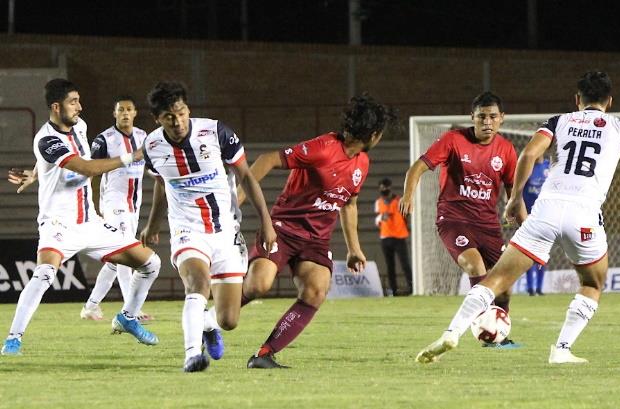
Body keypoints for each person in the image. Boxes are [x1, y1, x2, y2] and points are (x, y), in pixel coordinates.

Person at [415, 71, 620, 365]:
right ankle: (561, 349)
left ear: (577, 99)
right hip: (584, 216)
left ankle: (451, 332)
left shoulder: (558, 122)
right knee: (592, 281)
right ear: (610, 101)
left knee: (495, 280)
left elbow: (528, 155)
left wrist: (515, 199)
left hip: (546, 211)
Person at [2, 79, 162, 356]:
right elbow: (86, 167)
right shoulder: (46, 139)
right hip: (58, 225)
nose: (79, 106)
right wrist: (131, 157)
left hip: (91, 222)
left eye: (78, 100)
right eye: (73, 102)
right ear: (56, 107)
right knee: (43, 274)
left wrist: (35, 173)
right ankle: (13, 339)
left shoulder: (81, 125)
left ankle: (127, 317)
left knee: (151, 263)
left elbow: (61, 161)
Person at [239, 93, 396, 369]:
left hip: (315, 241)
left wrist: (354, 248)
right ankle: (207, 319)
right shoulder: (324, 147)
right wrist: (233, 204)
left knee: (316, 290)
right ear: (372, 134)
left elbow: (349, 204)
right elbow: (267, 160)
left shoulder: (362, 162)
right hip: (283, 229)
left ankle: (264, 354)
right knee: (257, 285)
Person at [138, 81, 276, 372]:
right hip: (187, 230)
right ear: (157, 119)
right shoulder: (151, 146)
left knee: (229, 320)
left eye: (181, 112)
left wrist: (266, 222)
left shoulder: (216, 132)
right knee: (198, 284)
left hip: (225, 229)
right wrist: (152, 225)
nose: (178, 121)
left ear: (188, 108)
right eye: (169, 117)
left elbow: (247, 177)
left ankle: (209, 324)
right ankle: (191, 355)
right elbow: (161, 186)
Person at [400, 91, 523, 348]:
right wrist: (408, 195)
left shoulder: (507, 150)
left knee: (505, 284)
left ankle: (498, 335)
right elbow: (418, 167)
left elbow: (515, 193)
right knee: (476, 268)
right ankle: (484, 334)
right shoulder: (453, 140)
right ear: (472, 117)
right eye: (481, 117)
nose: (487, 122)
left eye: (492, 117)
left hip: (488, 225)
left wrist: (526, 226)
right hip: (454, 218)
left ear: (502, 118)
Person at [77, 96, 154, 321]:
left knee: (114, 260)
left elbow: (151, 166)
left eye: (129, 109)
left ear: (135, 112)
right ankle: (131, 308)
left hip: (134, 204)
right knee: (126, 250)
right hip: (113, 202)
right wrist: (91, 204)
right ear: (115, 113)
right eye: (121, 110)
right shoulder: (104, 140)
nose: (125, 113)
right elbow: (90, 171)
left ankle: (91, 306)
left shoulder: (143, 137)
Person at [375, 177, 413, 296]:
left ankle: (411, 287)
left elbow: (407, 216)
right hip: (385, 237)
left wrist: (407, 226)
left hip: (399, 236)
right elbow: (377, 220)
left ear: (390, 189)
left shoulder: (399, 201)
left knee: (405, 264)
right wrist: (381, 218)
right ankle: (394, 290)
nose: (384, 193)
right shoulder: (378, 202)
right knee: (390, 265)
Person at [523, 155, 550, 296]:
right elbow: (520, 189)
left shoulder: (549, 165)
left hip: (545, 215)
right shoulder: (527, 165)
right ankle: (530, 288)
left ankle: (539, 288)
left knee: (542, 252)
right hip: (528, 216)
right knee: (528, 252)